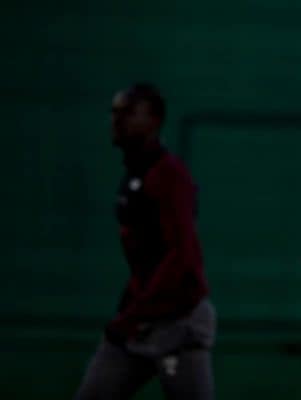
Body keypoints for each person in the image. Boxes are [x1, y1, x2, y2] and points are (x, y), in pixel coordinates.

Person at [74, 83, 216, 400]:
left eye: (127, 112)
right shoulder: (135, 174)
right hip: (139, 323)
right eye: (114, 112)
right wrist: (130, 313)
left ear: (154, 120)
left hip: (178, 323)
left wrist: (134, 315)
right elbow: (145, 261)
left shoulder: (168, 175)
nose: (116, 119)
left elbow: (182, 256)